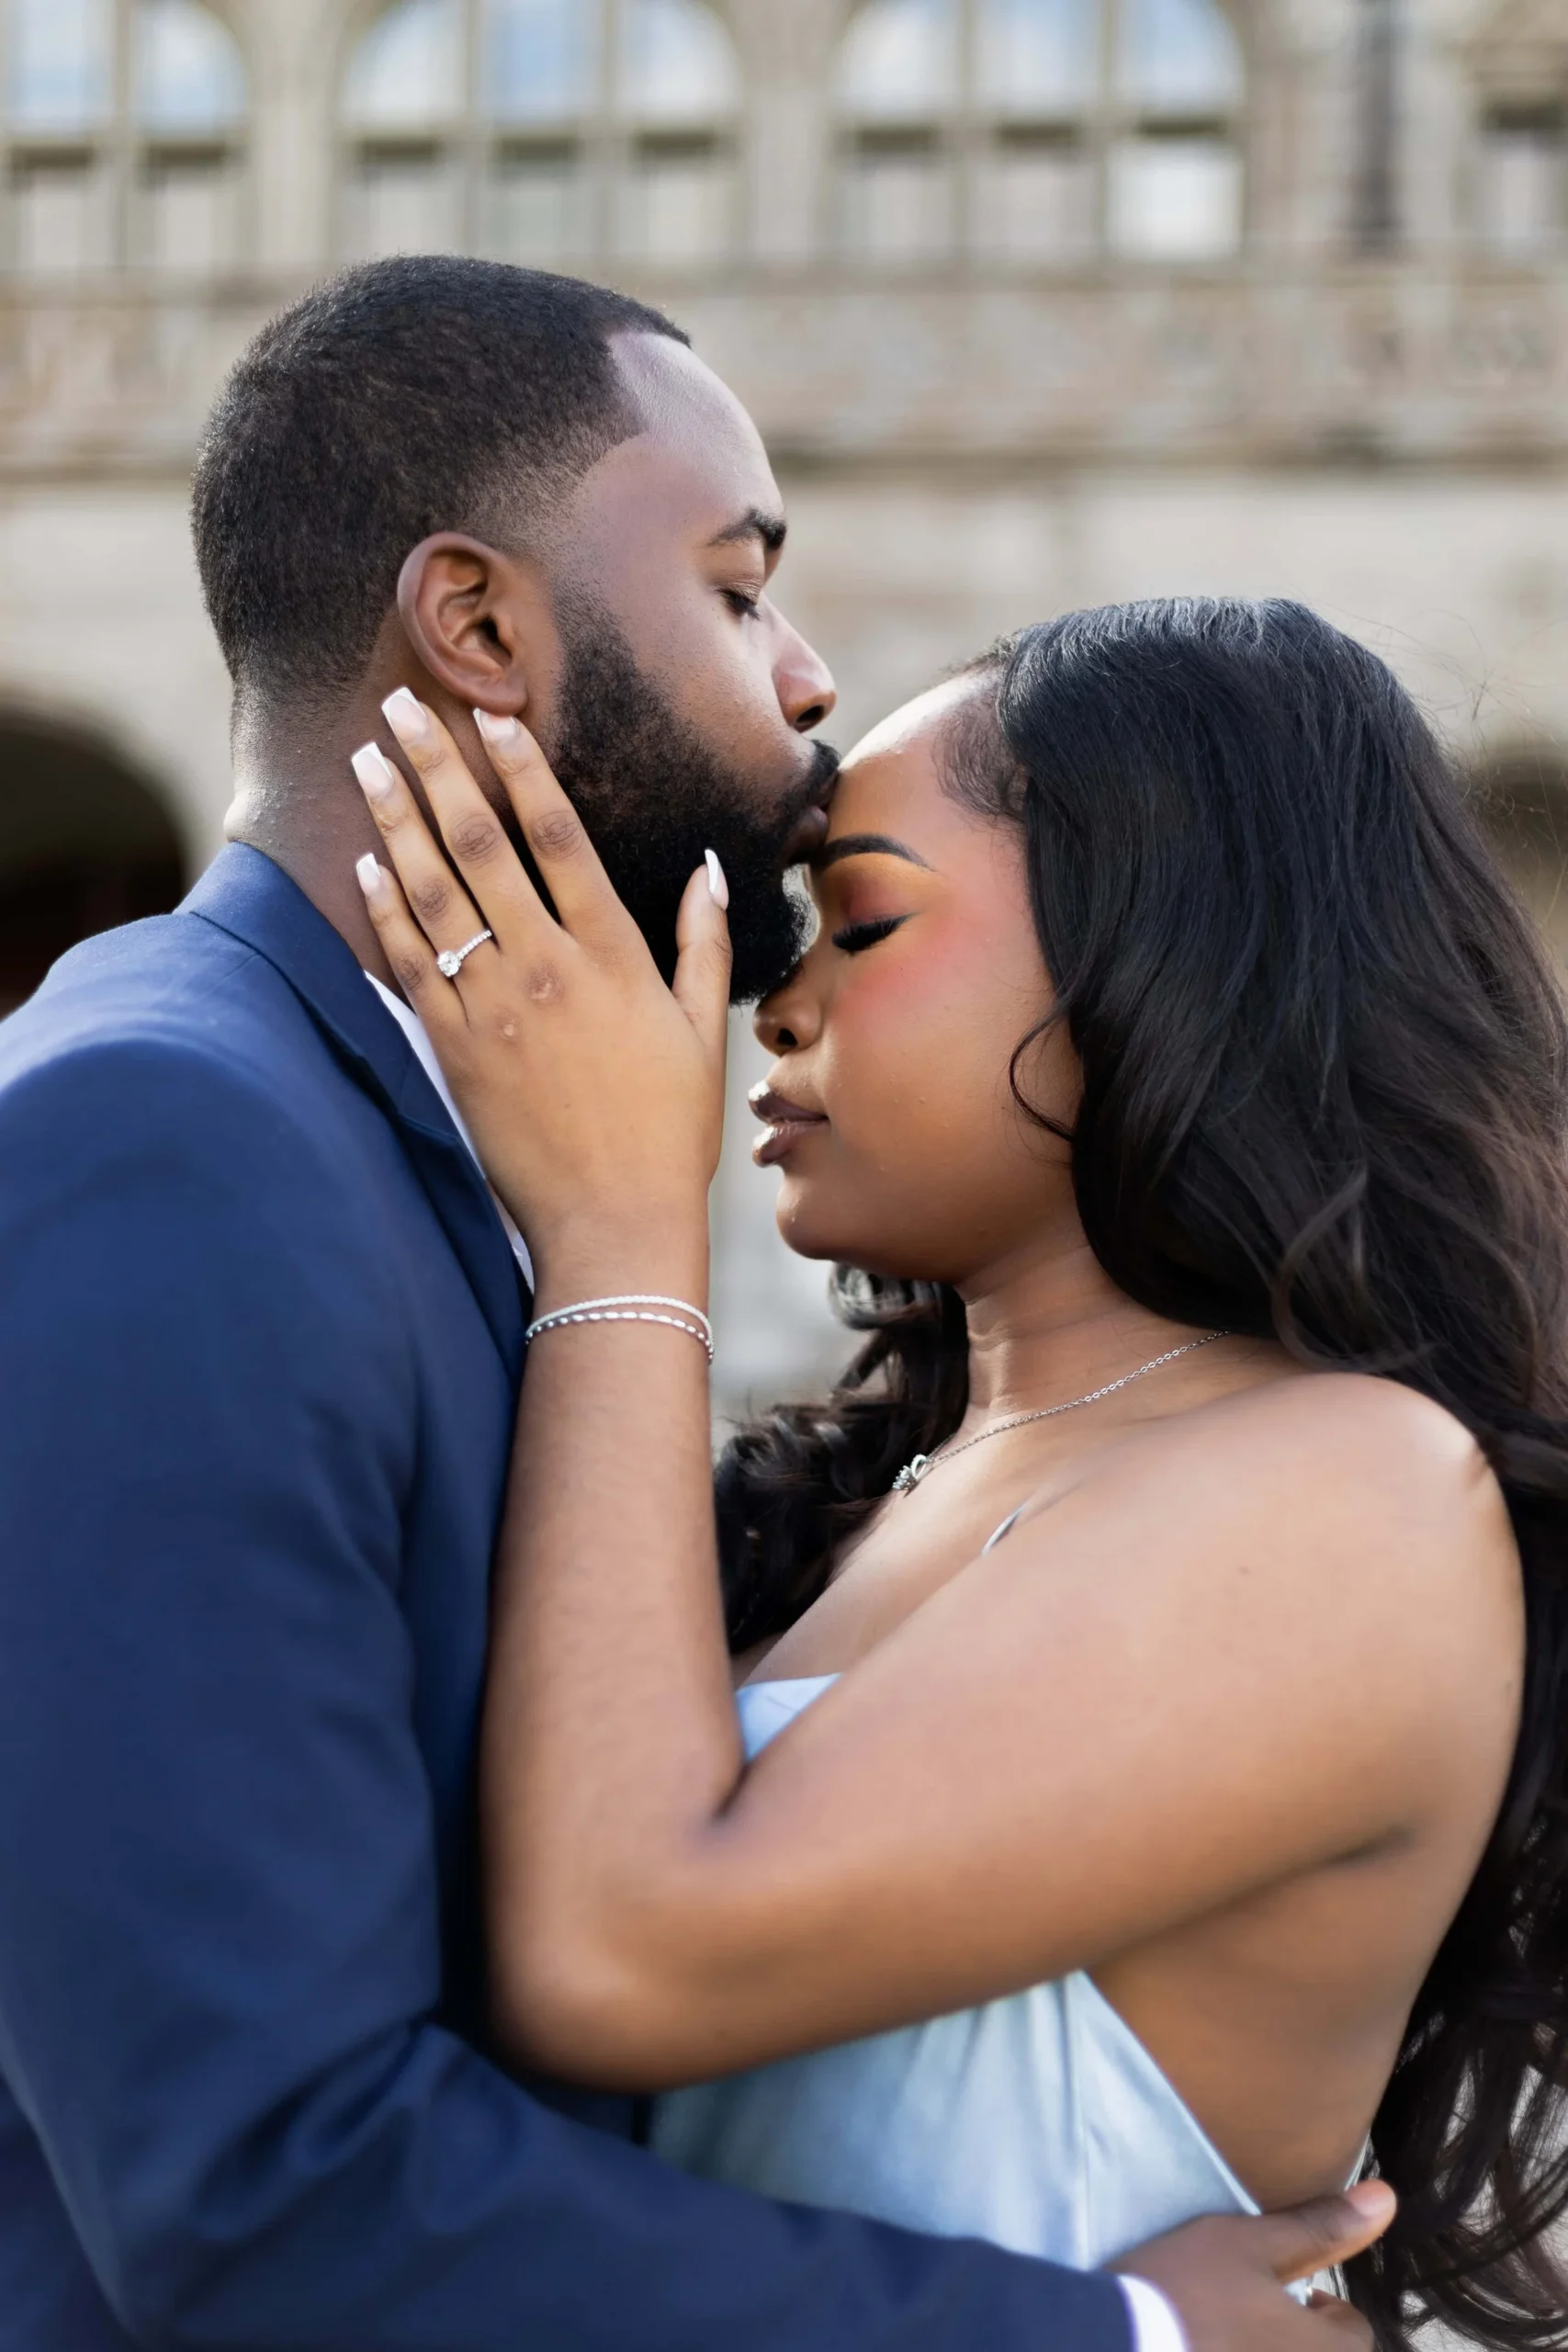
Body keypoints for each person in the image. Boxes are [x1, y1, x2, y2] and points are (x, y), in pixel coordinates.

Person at [0, 259, 1386, 2351]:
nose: (807, 676)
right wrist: (1113, 2336)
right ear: (479, 627)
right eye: (740, 591)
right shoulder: (165, 1143)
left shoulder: (378, 1141)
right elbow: (268, 2186)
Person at [352, 595, 1568, 2352]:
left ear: (1161, 953)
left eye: (859, 922)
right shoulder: (894, 1487)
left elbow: (623, 1954)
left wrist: (619, 1227)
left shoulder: (1351, 1488)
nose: (780, 1006)